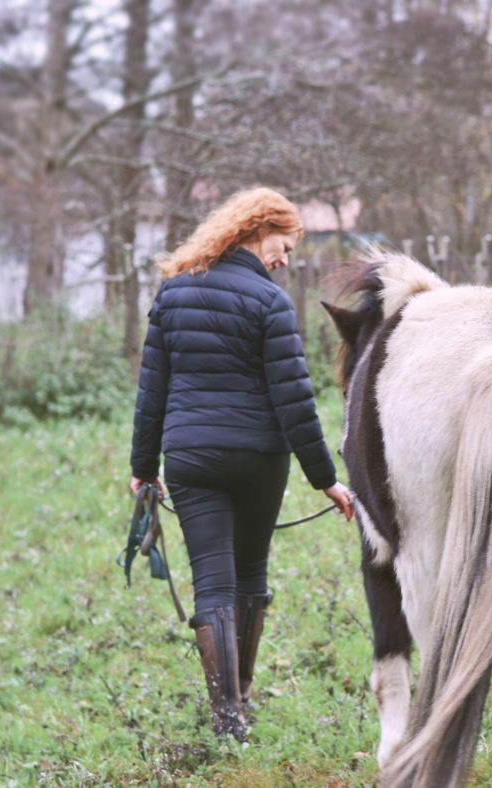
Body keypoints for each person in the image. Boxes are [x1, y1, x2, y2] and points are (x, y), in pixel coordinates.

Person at [129, 187, 354, 742]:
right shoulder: (270, 302)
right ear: (256, 231)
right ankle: (243, 697)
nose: (285, 259)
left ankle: (226, 716)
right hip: (259, 457)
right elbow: (295, 401)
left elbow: (151, 388)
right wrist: (325, 480)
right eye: (283, 245)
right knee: (250, 574)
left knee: (213, 583)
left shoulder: (173, 292)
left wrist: (143, 464)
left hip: (191, 458)